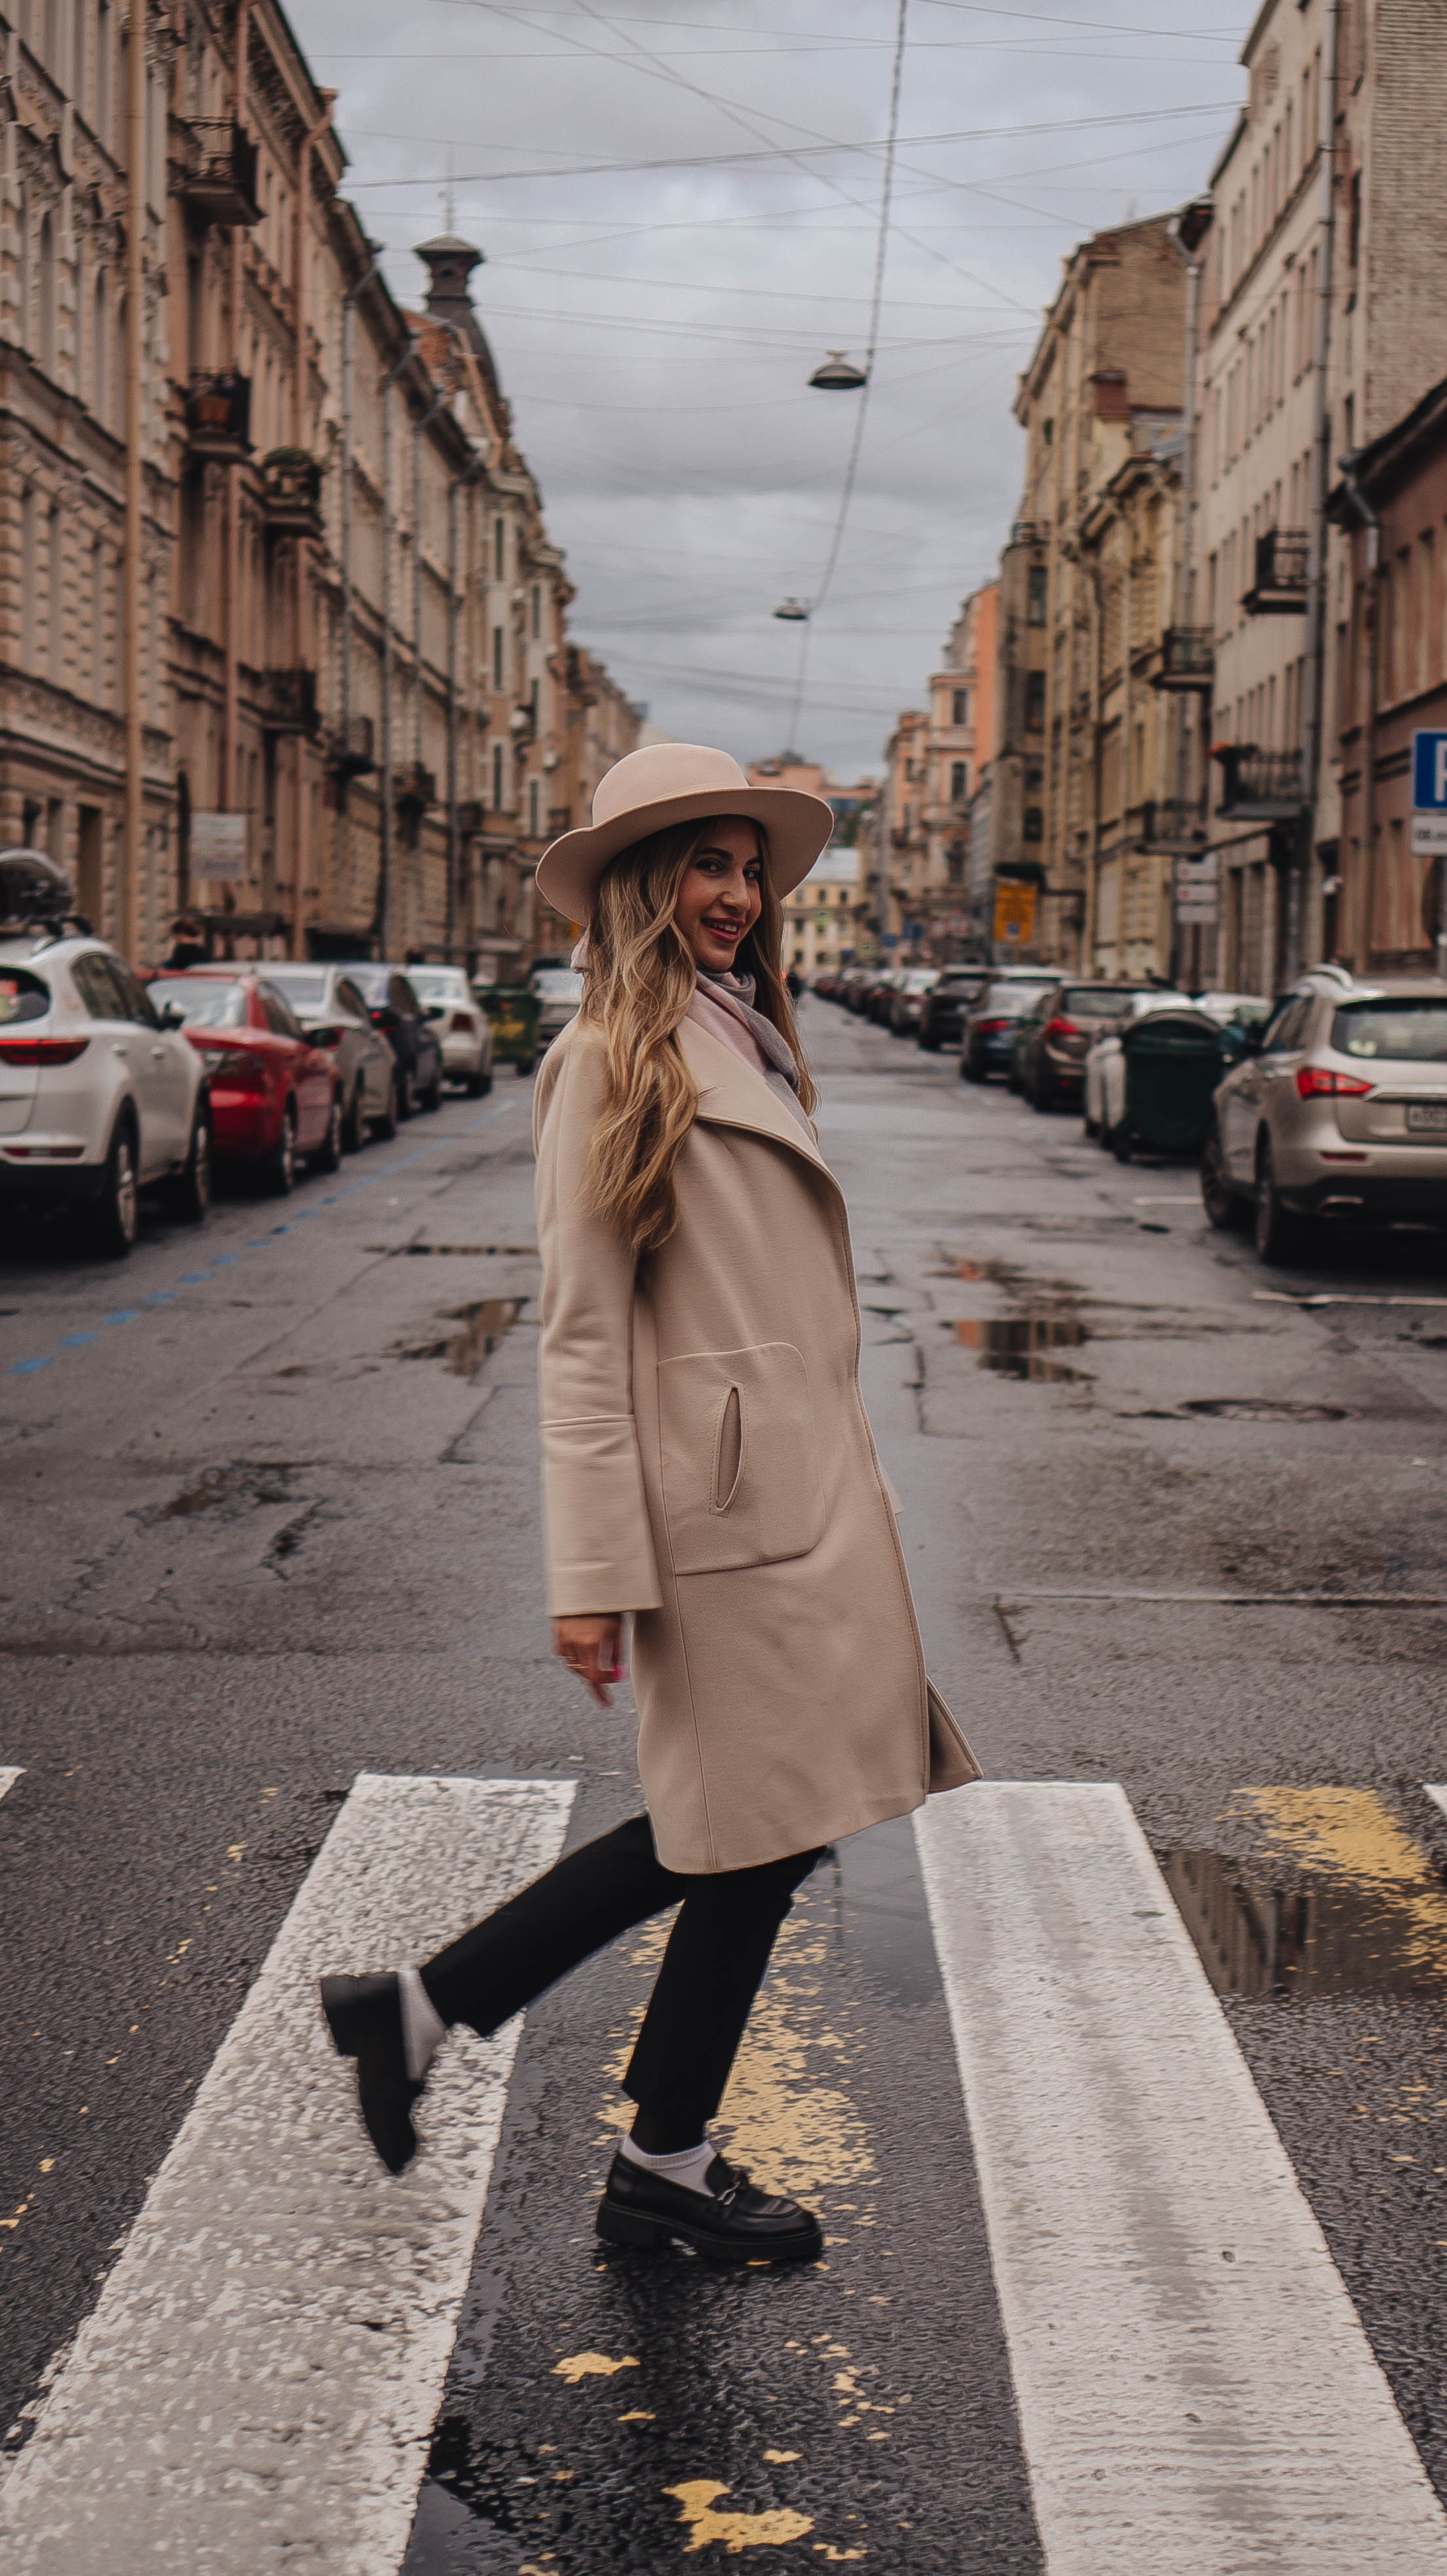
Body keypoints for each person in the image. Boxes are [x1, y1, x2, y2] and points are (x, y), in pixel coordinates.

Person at [319, 742, 979, 2264]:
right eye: (705, 865)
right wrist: (590, 1567)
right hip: (722, 1516)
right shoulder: (611, 1058)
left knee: (760, 1827)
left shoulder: (735, 1033)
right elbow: (581, 1326)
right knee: (732, 1826)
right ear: (638, 882)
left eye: (749, 869)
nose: (737, 896)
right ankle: (478, 2045)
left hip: (787, 1498)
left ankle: (595, 2118)